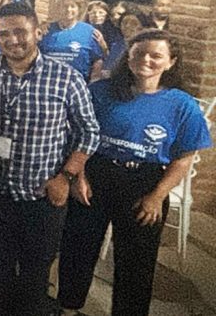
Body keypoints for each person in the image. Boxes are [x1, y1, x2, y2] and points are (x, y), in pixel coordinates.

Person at [57, 29, 212, 316]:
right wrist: (78, 177)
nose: (146, 60)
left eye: (156, 55)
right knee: (77, 248)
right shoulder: (100, 91)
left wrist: (157, 196)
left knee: (137, 261)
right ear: (128, 56)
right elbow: (75, 137)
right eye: (139, 53)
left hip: (145, 181)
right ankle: (68, 307)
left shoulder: (182, 105)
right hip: (95, 173)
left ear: (171, 61)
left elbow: (183, 159)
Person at [0, 1, 100, 316]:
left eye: (20, 31)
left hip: (42, 196)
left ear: (38, 32)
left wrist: (67, 177)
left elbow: (89, 133)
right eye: (4, 34)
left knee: (33, 283)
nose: (12, 40)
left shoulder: (66, 77)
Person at [39, 0, 104, 81]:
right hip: (49, 83)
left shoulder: (89, 31)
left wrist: (94, 80)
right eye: (65, 6)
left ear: (79, 9)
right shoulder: (46, 30)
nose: (68, 10)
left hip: (79, 83)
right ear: (58, 8)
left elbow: (97, 60)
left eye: (73, 6)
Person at [85, 0, 124, 76]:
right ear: (88, 14)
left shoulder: (112, 31)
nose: (97, 15)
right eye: (93, 12)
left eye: (101, 12)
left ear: (106, 15)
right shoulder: (83, 28)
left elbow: (112, 54)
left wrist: (103, 44)